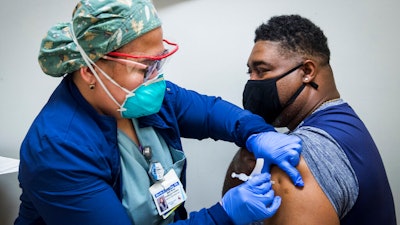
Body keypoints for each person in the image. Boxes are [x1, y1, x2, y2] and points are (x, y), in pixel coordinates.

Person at [14, 1, 306, 225]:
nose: (155, 79)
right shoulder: (58, 150)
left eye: (158, 64)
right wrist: (223, 215)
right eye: (143, 67)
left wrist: (256, 133)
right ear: (90, 70)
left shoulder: (140, 96)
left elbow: (210, 112)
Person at [222, 15, 396, 225]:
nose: (252, 82)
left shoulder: (296, 160)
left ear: (307, 71)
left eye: (262, 71)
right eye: (250, 72)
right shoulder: (345, 122)